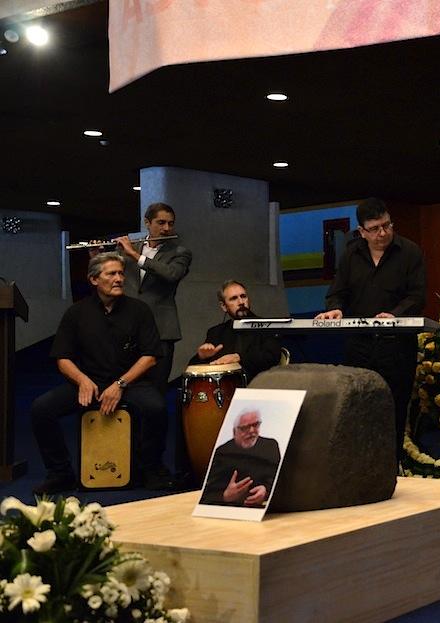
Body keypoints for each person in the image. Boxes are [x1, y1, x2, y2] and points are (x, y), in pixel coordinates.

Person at [30, 252, 172, 494]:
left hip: (130, 382)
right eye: (111, 274)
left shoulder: (139, 310)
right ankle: (60, 473)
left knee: (157, 408)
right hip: (90, 383)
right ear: (94, 279)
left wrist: (120, 384)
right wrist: (82, 380)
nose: (119, 279)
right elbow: (62, 358)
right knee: (41, 409)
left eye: (121, 274)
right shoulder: (76, 313)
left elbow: (150, 357)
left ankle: (151, 469)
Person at [316, 198, 426, 459]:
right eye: (375, 229)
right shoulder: (351, 255)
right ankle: (360, 469)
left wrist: (394, 315)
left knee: (394, 411)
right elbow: (337, 293)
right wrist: (336, 308)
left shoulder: (410, 252)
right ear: (362, 231)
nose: (383, 233)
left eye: (387, 225)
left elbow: (417, 296)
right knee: (359, 407)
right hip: (360, 346)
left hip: (396, 346)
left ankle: (391, 469)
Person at [116, 202, 192, 395]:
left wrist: (135, 255)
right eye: (161, 222)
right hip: (128, 329)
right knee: (125, 387)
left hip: (161, 331)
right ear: (147, 222)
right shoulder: (127, 249)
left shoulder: (180, 252)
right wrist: (95, 255)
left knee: (156, 392)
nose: (166, 228)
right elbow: (107, 276)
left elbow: (171, 274)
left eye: (170, 223)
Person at [189, 280, 281, 383]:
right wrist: (202, 357)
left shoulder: (266, 326)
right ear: (224, 306)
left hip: (258, 384)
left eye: (243, 296)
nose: (241, 302)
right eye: (234, 298)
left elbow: (272, 356)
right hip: (225, 387)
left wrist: (239, 357)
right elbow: (193, 370)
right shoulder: (216, 332)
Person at [199, 409, 281, 507]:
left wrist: (266, 491)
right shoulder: (222, 453)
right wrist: (225, 496)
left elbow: (279, 481)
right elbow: (206, 494)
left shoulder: (270, 446)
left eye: (255, 425)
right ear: (234, 432)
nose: (251, 431)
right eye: (245, 428)